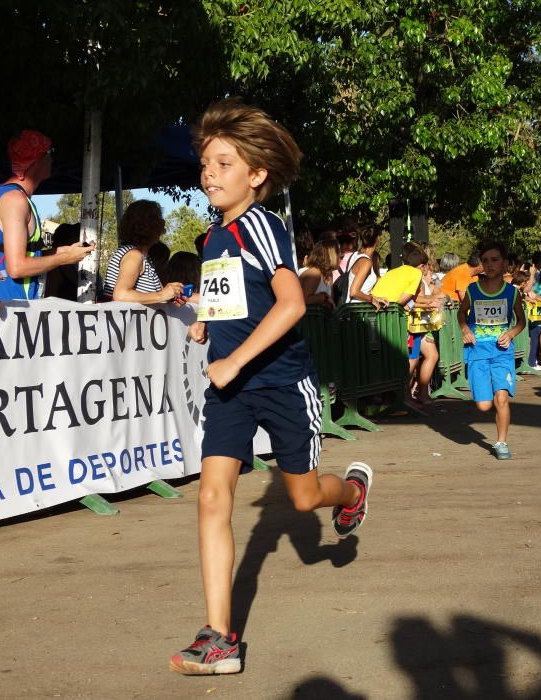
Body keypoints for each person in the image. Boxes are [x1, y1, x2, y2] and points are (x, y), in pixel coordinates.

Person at [170, 99, 373, 675]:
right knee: (212, 498)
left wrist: (234, 362)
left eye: (224, 163)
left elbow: (290, 304)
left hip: (283, 382)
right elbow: (235, 296)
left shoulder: (262, 224)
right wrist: (208, 319)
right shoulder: (213, 237)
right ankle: (219, 638)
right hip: (232, 390)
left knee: (304, 497)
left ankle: (353, 494)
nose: (209, 173)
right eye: (206, 163)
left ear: (256, 175)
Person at [0, 129, 94, 300]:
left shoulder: (15, 197)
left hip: (15, 306)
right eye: (50, 152)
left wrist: (59, 252)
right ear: (36, 159)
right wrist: (64, 259)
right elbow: (16, 267)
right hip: (9, 308)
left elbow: (27, 255)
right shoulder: (15, 200)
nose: (52, 159)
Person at [457, 240, 525, 460]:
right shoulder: (473, 289)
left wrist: (511, 333)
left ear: (504, 263)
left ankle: (501, 442)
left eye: (495, 259)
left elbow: (521, 321)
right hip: (477, 352)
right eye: (485, 260)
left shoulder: (512, 293)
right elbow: (461, 313)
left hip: (501, 352)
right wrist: (465, 328)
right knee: (485, 406)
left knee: (502, 398)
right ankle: (487, 399)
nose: (490, 264)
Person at [372, 243, 445, 405]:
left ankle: (396, 396)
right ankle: (402, 396)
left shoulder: (393, 272)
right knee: (410, 359)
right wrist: (427, 303)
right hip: (400, 323)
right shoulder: (415, 274)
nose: (426, 269)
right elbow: (403, 300)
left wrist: (426, 303)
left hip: (381, 321)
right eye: (425, 266)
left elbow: (409, 300)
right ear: (421, 266)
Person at [104, 201, 184, 304]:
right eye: (159, 219)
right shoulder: (134, 255)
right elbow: (121, 295)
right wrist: (162, 295)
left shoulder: (145, 258)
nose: (163, 222)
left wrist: (172, 296)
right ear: (149, 226)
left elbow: (157, 296)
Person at [343, 227, 381, 304]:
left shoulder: (355, 255)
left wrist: (376, 298)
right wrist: (372, 299)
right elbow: (354, 292)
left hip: (354, 308)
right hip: (355, 311)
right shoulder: (366, 262)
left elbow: (362, 289)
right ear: (377, 239)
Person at [299, 240, 338, 307]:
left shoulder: (328, 273)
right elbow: (303, 300)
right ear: (331, 255)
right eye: (338, 252)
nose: (340, 255)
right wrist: (323, 297)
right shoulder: (314, 274)